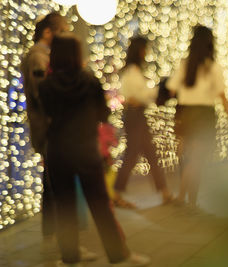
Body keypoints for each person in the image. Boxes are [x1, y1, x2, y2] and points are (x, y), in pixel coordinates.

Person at [38, 33, 150, 267]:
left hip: (58, 150)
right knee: (101, 205)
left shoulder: (46, 86)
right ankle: (119, 256)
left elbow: (45, 114)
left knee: (64, 207)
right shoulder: (89, 81)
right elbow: (103, 114)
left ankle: (70, 259)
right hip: (87, 149)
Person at [167, 25, 228, 208]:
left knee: (188, 159)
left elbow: (171, 89)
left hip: (185, 113)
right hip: (203, 115)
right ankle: (185, 199)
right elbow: (222, 96)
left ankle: (187, 200)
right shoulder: (213, 67)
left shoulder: (184, 64)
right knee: (197, 160)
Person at [20, 12, 70, 249]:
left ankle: (51, 232)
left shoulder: (43, 55)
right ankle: (63, 239)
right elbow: (44, 94)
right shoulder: (38, 57)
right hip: (49, 127)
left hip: (50, 126)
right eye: (62, 30)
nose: (66, 35)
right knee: (56, 181)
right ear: (48, 32)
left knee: (51, 181)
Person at [113, 37, 172, 208]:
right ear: (140, 51)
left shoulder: (132, 70)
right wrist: (158, 90)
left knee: (149, 153)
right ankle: (116, 194)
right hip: (134, 116)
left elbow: (138, 96)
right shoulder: (132, 71)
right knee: (133, 155)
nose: (146, 53)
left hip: (137, 115)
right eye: (145, 49)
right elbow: (139, 95)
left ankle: (164, 192)